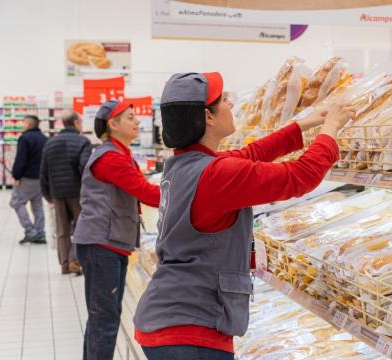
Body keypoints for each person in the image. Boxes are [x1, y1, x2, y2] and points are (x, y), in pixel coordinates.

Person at [133, 72, 355, 360]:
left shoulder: (184, 164)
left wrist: (304, 125)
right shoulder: (215, 175)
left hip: (170, 315)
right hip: (191, 329)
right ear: (207, 117)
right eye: (224, 100)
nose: (231, 105)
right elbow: (300, 177)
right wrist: (330, 130)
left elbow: (250, 153)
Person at [72, 100, 160, 360]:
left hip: (109, 243)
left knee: (102, 319)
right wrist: (190, 188)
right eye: (131, 117)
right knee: (105, 321)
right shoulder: (110, 158)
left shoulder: (119, 154)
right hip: (103, 246)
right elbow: (147, 193)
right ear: (113, 124)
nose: (137, 122)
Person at [40, 111, 92, 275]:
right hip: (77, 192)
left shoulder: (50, 143)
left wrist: (47, 194)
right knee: (80, 227)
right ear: (76, 123)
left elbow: (43, 170)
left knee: (62, 230)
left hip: (57, 192)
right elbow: (84, 167)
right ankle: (75, 261)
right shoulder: (83, 141)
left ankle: (64, 264)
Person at [10, 115, 48, 244]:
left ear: (29, 124)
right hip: (41, 178)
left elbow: (21, 159)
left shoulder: (24, 138)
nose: (22, 125)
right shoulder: (45, 139)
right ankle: (40, 233)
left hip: (27, 178)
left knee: (16, 202)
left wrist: (16, 176)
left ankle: (30, 231)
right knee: (37, 205)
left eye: (24, 122)